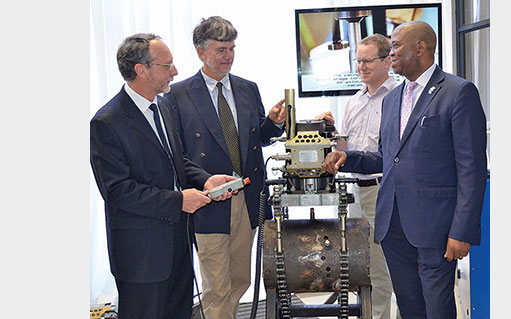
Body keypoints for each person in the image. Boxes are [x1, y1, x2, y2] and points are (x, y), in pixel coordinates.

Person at [322, 21, 487, 319]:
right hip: (393, 226)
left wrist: (462, 230)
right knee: (409, 307)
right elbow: (388, 158)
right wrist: (350, 158)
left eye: (396, 46)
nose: (391, 52)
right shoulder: (393, 98)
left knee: (437, 308)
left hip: (436, 227)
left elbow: (471, 169)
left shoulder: (458, 92)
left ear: (420, 48)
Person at [90, 33, 237, 319]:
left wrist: (204, 179)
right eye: (167, 65)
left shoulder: (164, 106)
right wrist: (178, 201)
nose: (176, 72)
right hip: (141, 257)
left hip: (178, 248)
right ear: (141, 70)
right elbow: (118, 191)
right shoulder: (107, 122)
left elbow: (175, 160)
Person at [164, 16, 286, 319]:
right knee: (216, 285)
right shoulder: (177, 95)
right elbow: (177, 154)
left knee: (240, 279)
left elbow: (256, 138)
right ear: (201, 52)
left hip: (246, 197)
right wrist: (205, 181)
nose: (228, 56)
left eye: (232, 48)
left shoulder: (248, 88)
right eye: (221, 50)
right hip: (208, 200)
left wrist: (272, 124)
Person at [315, 34, 399, 319]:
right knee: (365, 268)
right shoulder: (353, 101)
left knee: (386, 268)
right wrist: (330, 131)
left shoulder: (399, 97)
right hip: (355, 193)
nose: (361, 66)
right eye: (358, 60)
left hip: (383, 190)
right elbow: (346, 152)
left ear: (388, 60)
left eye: (368, 60)